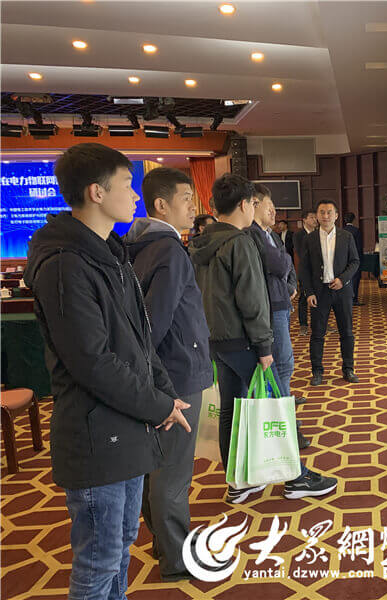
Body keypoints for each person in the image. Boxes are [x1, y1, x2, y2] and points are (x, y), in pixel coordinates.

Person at [24, 143, 191, 598]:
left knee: (120, 546)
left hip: (127, 425)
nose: (136, 196)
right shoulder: (65, 263)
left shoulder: (109, 252)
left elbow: (139, 338)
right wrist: (157, 404)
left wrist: (164, 394)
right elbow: (92, 362)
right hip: (96, 435)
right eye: (127, 186)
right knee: (99, 561)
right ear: (96, 192)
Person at [189, 174, 336, 501]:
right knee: (276, 407)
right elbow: (252, 300)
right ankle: (295, 477)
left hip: (217, 340)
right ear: (245, 204)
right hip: (244, 341)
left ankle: (238, 481)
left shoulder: (200, 242)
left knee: (231, 409)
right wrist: (264, 346)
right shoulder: (239, 242)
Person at [124, 167, 213, 581]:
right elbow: (155, 324)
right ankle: (178, 558)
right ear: (161, 204)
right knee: (173, 472)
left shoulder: (138, 245)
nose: (193, 206)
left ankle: (165, 543)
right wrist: (162, 383)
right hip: (175, 373)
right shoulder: (170, 250)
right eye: (186, 199)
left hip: (159, 373)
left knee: (155, 467)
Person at [244, 185, 309, 443]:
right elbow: (281, 263)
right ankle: (284, 422)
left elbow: (287, 264)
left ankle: (284, 413)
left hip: (281, 302)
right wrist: (284, 270)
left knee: (284, 364)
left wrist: (290, 286)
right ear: (254, 204)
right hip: (270, 307)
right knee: (279, 364)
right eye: (269, 206)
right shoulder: (252, 234)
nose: (274, 211)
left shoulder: (268, 234)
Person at [299, 200, 360, 386]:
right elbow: (304, 268)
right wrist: (309, 292)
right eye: (322, 212)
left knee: (346, 332)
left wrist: (343, 279)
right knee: (317, 334)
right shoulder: (309, 239)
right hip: (319, 293)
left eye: (329, 212)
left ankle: (348, 369)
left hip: (342, 291)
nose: (325, 216)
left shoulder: (346, 237)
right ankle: (317, 371)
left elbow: (355, 262)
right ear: (317, 216)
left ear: (336, 216)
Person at [292, 210, 317, 336]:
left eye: (315, 217)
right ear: (304, 220)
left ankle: (318, 323)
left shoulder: (319, 233)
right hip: (305, 270)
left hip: (318, 272)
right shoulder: (298, 235)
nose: (315, 220)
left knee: (320, 297)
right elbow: (300, 252)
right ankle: (303, 324)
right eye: (311, 217)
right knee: (304, 297)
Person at [342, 212, 364, 306]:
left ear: (345, 220)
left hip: (343, 259)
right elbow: (359, 247)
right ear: (354, 220)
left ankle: (345, 298)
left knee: (345, 278)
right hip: (354, 259)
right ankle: (354, 299)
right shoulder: (356, 231)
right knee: (355, 278)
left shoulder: (341, 231)